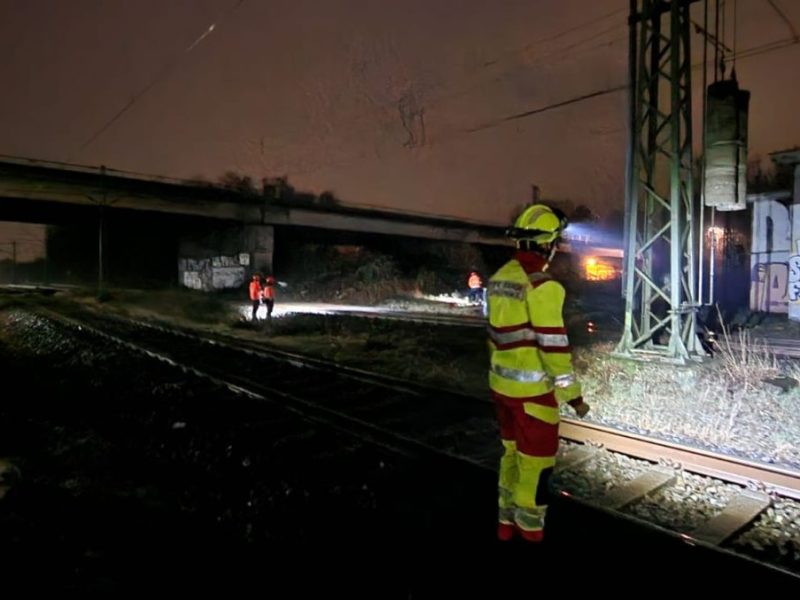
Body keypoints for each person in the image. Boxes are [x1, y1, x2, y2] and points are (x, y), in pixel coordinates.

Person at [486, 203, 590, 543]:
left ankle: (504, 524)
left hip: (501, 389)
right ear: (548, 244)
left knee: (511, 455)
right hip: (534, 396)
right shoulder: (544, 287)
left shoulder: (499, 280)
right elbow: (554, 348)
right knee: (537, 464)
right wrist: (572, 396)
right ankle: (529, 531)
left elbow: (494, 339)